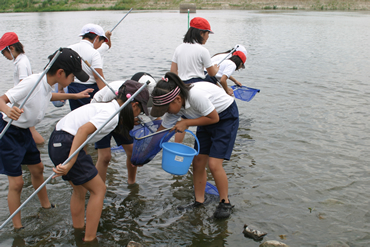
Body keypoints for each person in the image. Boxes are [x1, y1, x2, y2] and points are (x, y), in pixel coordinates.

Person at [0, 48, 91, 229]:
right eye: (72, 76)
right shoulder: (33, 82)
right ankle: (17, 227)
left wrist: (74, 95)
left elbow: (50, 96)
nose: (73, 80)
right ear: (60, 73)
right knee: (17, 183)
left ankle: (46, 206)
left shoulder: (46, 84)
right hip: (9, 133)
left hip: (24, 132)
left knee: (38, 168)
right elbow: (1, 99)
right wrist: (7, 109)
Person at [48, 80, 149, 242]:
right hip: (68, 142)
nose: (138, 115)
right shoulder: (111, 115)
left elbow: (82, 130)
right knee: (99, 190)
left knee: (80, 191)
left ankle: (79, 232)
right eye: (140, 111)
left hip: (57, 140)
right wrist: (70, 163)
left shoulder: (108, 107)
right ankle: (90, 239)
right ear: (134, 105)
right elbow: (82, 131)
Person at [150, 72, 239, 219]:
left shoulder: (196, 95)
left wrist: (186, 122)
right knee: (197, 162)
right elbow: (161, 133)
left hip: (225, 117)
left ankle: (225, 202)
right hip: (204, 118)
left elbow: (214, 117)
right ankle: (199, 201)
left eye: (167, 109)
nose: (167, 113)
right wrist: (144, 154)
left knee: (214, 164)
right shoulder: (173, 108)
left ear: (177, 99)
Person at [92, 73, 156, 185]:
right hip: (103, 116)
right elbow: (106, 110)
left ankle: (132, 182)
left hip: (123, 116)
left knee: (132, 151)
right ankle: (99, 189)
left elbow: (155, 118)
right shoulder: (116, 90)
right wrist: (126, 120)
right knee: (105, 156)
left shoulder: (146, 96)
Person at [0, 32, 44, 144]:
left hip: (23, 102)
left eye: (3, 52)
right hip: (24, 100)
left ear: (11, 48)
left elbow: (23, 84)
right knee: (30, 131)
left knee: (31, 132)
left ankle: (41, 147)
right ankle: (38, 148)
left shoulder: (21, 63)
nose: (3, 55)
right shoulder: (22, 59)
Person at [64, 23, 109, 111]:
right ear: (96, 38)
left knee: (76, 115)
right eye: (101, 41)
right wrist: (106, 98)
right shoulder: (94, 53)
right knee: (91, 115)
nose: (101, 45)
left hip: (72, 88)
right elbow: (98, 78)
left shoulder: (69, 48)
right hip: (90, 90)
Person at [170, 17, 218, 84]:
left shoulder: (178, 48)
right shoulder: (203, 50)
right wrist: (215, 69)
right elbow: (212, 73)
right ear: (201, 33)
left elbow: (173, 71)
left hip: (182, 84)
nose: (208, 37)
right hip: (197, 84)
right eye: (208, 33)